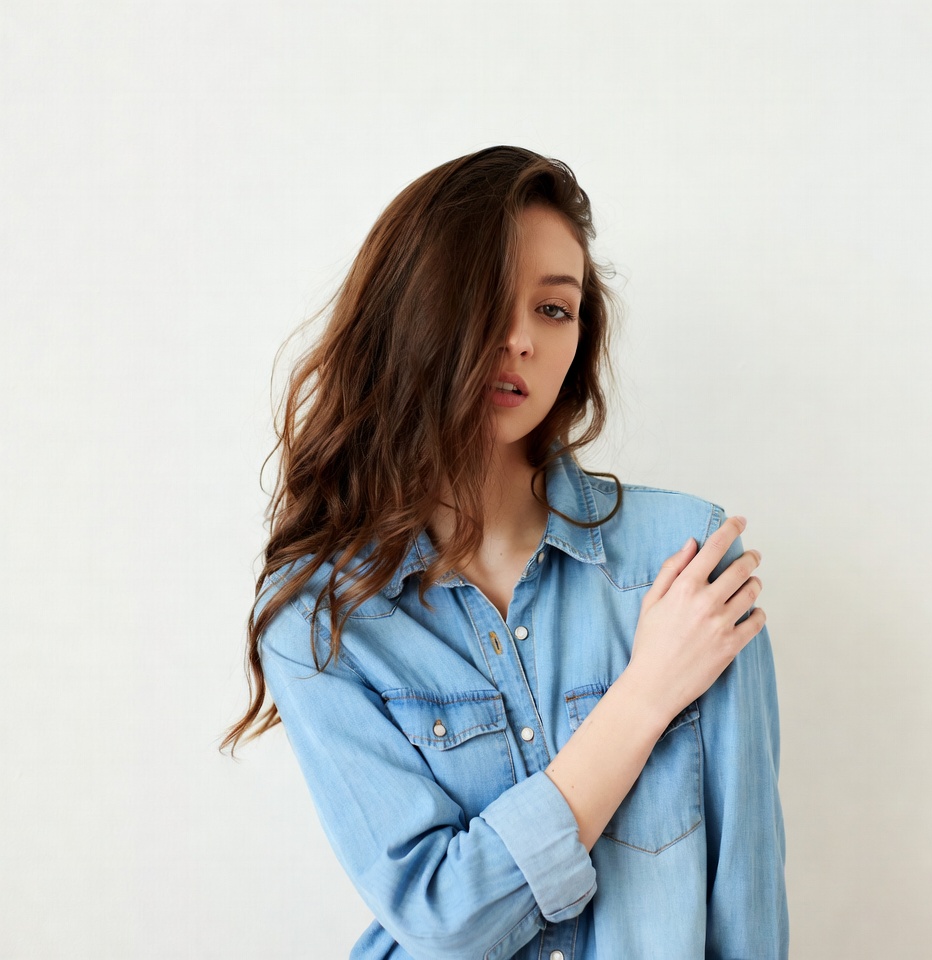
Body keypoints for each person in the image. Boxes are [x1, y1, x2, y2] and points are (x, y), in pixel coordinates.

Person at [223, 145, 788, 959]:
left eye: (555, 310)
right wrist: (642, 698)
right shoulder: (321, 617)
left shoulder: (686, 561)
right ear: (413, 311)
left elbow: (748, 901)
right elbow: (442, 917)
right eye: (484, 299)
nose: (520, 338)